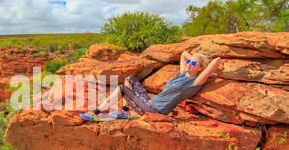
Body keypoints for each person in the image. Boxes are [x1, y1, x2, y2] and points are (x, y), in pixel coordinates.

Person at [80, 51, 222, 121]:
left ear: (200, 68)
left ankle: (97, 113)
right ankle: (125, 111)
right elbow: (184, 55)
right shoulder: (182, 74)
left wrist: (203, 61)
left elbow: (216, 61)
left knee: (123, 89)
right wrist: (192, 57)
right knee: (130, 79)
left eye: (194, 64)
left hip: (156, 111)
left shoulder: (195, 82)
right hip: (148, 104)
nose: (189, 64)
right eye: (189, 62)